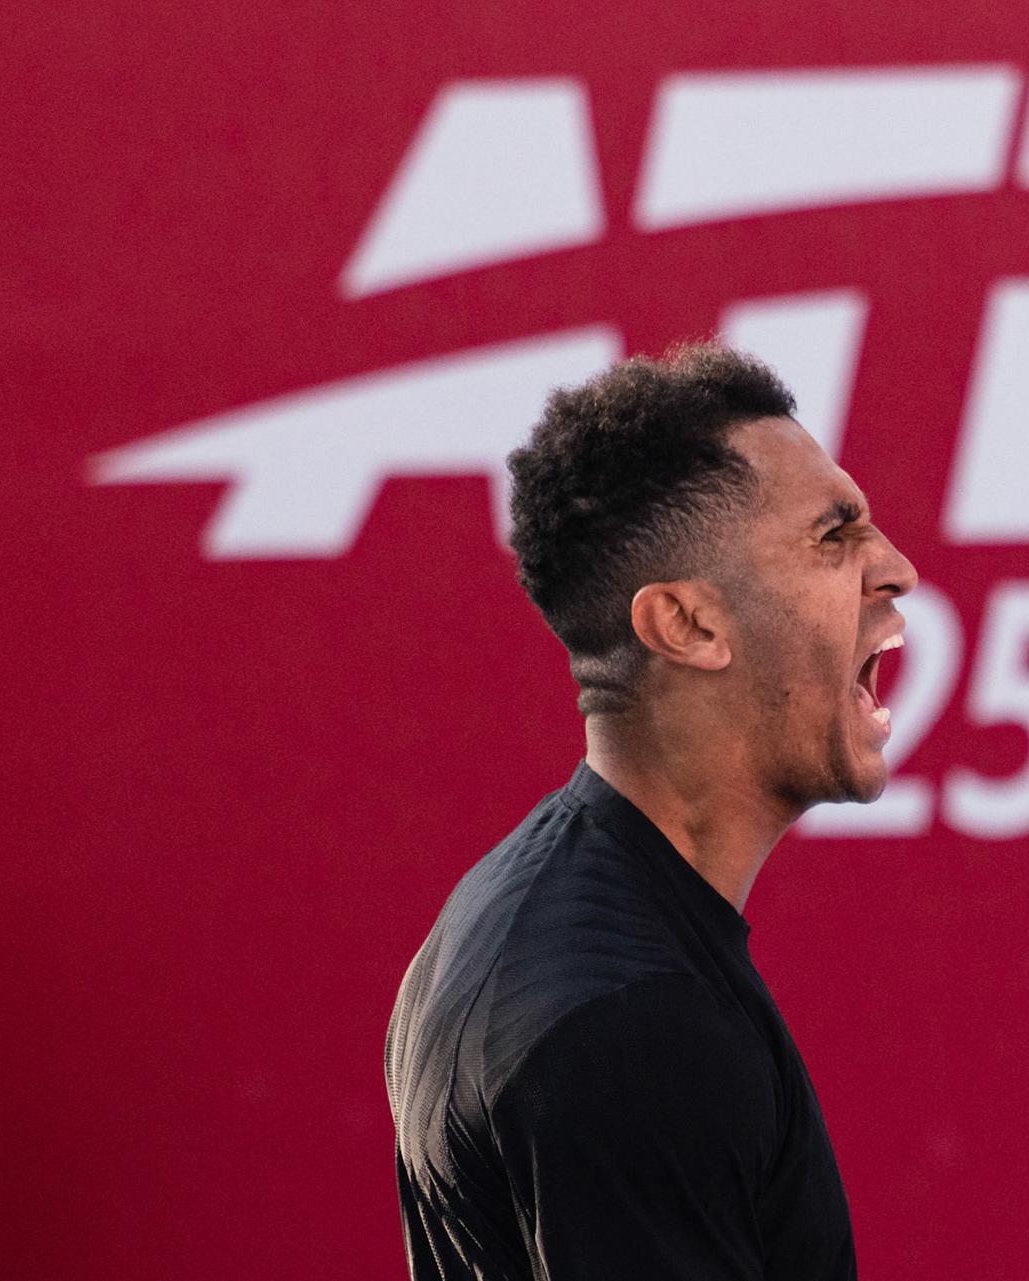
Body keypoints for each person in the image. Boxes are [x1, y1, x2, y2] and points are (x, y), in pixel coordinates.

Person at [386, 342, 917, 1281]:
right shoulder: (632, 1028)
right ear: (688, 625)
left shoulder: (520, 919)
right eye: (833, 537)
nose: (896, 569)